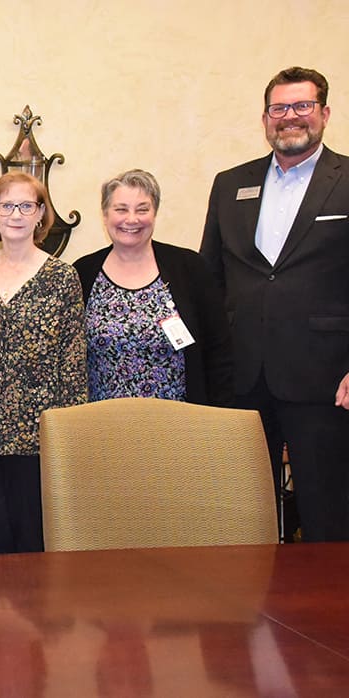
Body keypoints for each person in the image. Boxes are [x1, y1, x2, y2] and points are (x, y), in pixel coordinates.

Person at [200, 66, 349, 542]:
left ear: (324, 113)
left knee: (328, 518)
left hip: (324, 382)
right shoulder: (230, 184)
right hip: (242, 382)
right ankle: (251, 617)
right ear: (265, 119)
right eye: (279, 108)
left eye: (302, 106)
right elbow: (211, 280)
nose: (290, 118)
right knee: (240, 520)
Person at [0, 172, 86, 554]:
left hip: (39, 435)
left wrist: (68, 433)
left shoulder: (63, 277)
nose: (15, 214)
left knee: (34, 543)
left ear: (40, 214)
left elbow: (73, 360)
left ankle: (35, 615)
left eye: (26, 205)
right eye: (6, 205)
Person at [73, 169, 234, 406]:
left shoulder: (190, 268)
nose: (132, 219)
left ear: (155, 213)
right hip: (102, 425)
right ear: (105, 215)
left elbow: (218, 351)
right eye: (121, 209)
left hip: (178, 424)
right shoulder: (83, 272)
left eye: (142, 209)